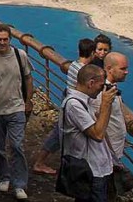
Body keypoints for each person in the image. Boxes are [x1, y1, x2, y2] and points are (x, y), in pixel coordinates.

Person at [61, 64, 118, 202]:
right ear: (91, 83)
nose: (103, 90)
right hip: (90, 172)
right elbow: (97, 133)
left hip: (97, 170)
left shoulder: (84, 102)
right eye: (101, 85)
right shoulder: (74, 105)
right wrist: (105, 105)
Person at [0, 23, 33, 201]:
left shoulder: (20, 55)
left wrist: (28, 100)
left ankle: (19, 184)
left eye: (5, 39)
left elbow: (27, 77)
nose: (2, 43)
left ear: (10, 39)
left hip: (16, 107)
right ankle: (4, 176)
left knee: (17, 146)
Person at [32, 38, 96, 175]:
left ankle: (41, 162)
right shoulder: (84, 71)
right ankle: (44, 164)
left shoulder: (73, 65)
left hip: (67, 100)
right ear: (92, 53)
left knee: (59, 133)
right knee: (63, 136)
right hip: (75, 105)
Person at [91, 51, 130, 202]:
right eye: (123, 68)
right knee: (104, 195)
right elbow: (97, 121)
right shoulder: (102, 93)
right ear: (109, 69)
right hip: (106, 153)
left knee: (108, 194)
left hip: (112, 151)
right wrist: (112, 155)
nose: (126, 72)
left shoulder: (112, 88)